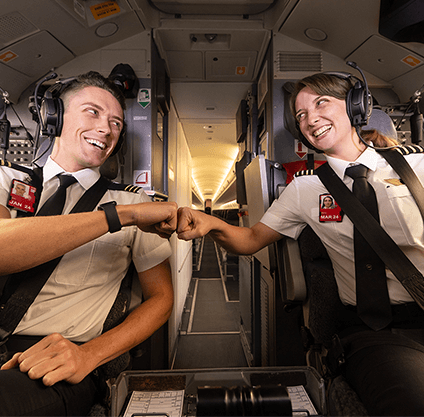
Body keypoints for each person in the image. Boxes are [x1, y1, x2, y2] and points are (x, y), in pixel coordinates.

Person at [177, 72, 424, 416]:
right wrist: (211, 224)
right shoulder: (303, 189)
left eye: (321, 103)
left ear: (356, 105)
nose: (311, 119)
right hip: (376, 331)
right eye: (301, 115)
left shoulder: (417, 165)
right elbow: (251, 239)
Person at [0, 71, 177, 416]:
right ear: (55, 116)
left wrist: (89, 355)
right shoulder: (6, 180)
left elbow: (162, 298)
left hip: (61, 358)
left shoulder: (133, 202)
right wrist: (118, 218)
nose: (106, 129)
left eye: (115, 122)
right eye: (93, 112)